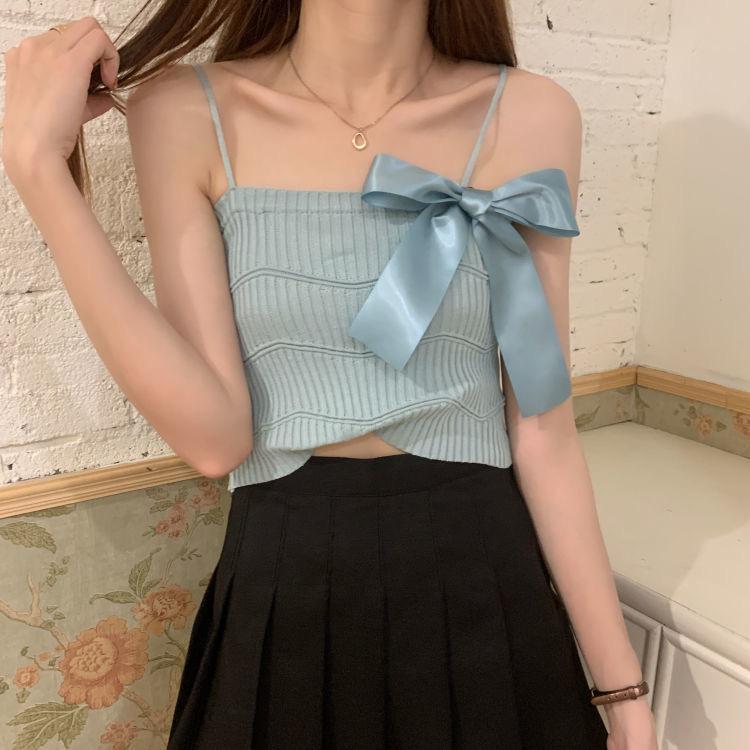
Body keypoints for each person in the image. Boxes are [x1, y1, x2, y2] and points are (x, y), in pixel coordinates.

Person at [1, 2, 658, 748]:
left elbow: (544, 429)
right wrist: (38, 170)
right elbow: (216, 442)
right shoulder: (183, 110)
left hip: (484, 578)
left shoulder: (531, 113)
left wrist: (624, 697)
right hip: (285, 585)